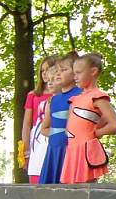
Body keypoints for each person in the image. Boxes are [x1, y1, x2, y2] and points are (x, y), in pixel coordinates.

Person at [60, 53, 116, 184]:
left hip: (86, 151)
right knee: (72, 191)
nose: (74, 77)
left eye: (78, 73)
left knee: (85, 190)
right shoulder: (75, 99)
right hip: (72, 149)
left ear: (93, 71)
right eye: (74, 73)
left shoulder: (97, 96)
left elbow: (115, 124)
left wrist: (95, 133)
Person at [39, 52, 83, 184]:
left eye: (63, 70)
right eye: (57, 70)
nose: (58, 74)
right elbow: (44, 128)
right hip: (53, 152)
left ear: (75, 73)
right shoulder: (53, 100)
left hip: (71, 152)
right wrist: (58, 132)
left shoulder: (81, 95)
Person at [23, 56, 58, 183]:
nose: (44, 74)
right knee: (36, 176)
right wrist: (25, 151)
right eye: (42, 70)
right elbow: (26, 124)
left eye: (48, 70)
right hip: (37, 139)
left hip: (55, 136)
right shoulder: (33, 95)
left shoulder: (61, 95)